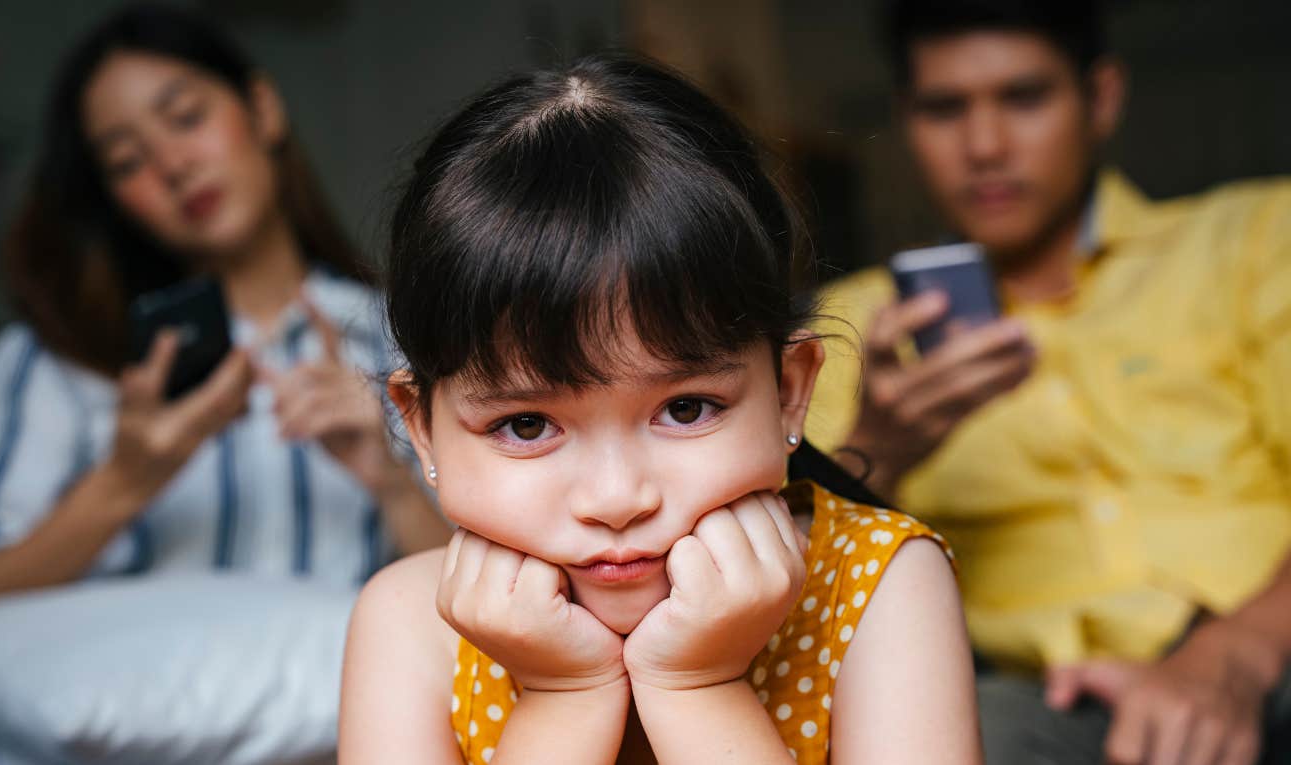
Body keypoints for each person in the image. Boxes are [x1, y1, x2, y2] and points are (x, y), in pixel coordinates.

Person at [338, 53, 980, 764]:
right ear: (420, 427)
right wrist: (563, 699)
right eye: (525, 424)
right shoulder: (408, 623)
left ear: (790, 391)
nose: (616, 499)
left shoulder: (878, 586)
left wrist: (698, 686)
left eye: (686, 409)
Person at [805, 1, 1291, 763]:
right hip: (1038, 697)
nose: (986, 146)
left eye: (1024, 98)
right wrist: (875, 451)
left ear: (1100, 99)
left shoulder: (1256, 238)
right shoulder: (850, 327)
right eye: (944, 109)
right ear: (906, 122)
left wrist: (1235, 653)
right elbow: (789, 600)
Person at [0, 3, 450, 617]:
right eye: (127, 161)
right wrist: (124, 482)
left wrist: (388, 478)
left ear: (263, 109)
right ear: (112, 200)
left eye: (186, 117)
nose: (173, 166)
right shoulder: (53, 356)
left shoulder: (407, 337)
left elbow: (497, 600)